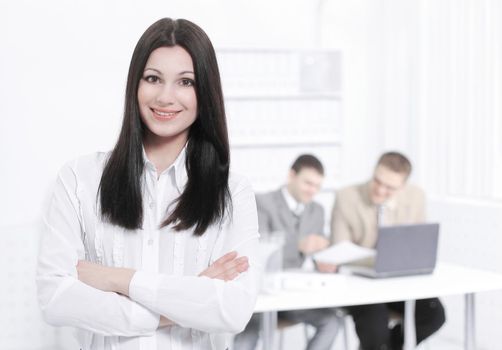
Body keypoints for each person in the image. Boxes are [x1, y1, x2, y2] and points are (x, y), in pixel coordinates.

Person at [36, 18, 260, 350]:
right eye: (153, 78)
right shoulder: (79, 179)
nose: (166, 97)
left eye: (185, 82)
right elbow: (54, 298)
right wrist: (188, 298)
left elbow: (233, 309)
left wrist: (117, 279)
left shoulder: (232, 192)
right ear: (135, 85)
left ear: (206, 93)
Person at [328, 151, 446, 350]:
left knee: (434, 315)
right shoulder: (346, 197)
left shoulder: (415, 197)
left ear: (402, 187)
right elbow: (340, 249)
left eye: (390, 188)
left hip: (398, 284)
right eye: (377, 181)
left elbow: (417, 244)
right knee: (375, 328)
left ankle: (390, 347)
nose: (381, 190)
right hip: (361, 286)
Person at [234, 154, 340, 350]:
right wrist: (299, 245)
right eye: (308, 183)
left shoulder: (317, 210)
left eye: (317, 186)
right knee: (247, 332)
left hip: (293, 294)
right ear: (291, 176)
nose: (312, 191)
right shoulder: (262, 202)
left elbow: (316, 255)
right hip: (262, 293)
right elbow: (258, 251)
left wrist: (325, 261)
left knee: (332, 322)